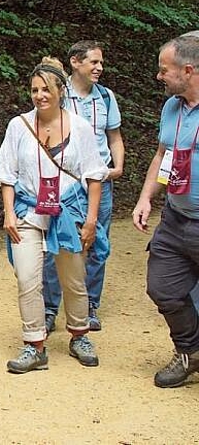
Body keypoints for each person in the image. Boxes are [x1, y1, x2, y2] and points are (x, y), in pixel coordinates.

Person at [0, 57, 108, 374]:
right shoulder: (18, 126)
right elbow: (6, 174)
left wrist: (90, 220)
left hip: (69, 211)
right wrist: (8, 215)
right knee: (27, 277)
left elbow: (95, 176)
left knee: (73, 279)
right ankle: (34, 345)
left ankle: (79, 334)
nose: (40, 95)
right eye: (34, 90)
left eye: (46, 89)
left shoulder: (80, 127)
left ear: (61, 90)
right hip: (28, 211)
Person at [132, 35, 199, 388]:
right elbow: (163, 156)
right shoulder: (172, 107)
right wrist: (147, 198)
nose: (159, 76)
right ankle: (190, 350)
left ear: (188, 70)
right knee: (163, 287)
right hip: (174, 218)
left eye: (164, 70)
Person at [43, 41, 124, 334]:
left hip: (99, 183)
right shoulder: (58, 95)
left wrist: (118, 166)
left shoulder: (105, 97)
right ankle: (49, 308)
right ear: (75, 63)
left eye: (101, 63)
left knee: (96, 244)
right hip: (66, 185)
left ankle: (89, 306)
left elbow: (114, 136)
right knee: (57, 243)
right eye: (94, 62)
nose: (99, 68)